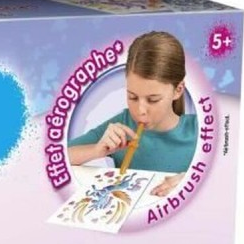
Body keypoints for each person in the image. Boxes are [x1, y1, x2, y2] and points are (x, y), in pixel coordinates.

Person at [67, 32, 197, 197]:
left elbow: (224, 179)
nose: (140, 110)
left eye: (153, 100)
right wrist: (96, 150)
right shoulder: (121, 126)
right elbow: (56, 157)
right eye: (132, 97)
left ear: (178, 90)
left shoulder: (201, 130)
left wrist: (193, 180)